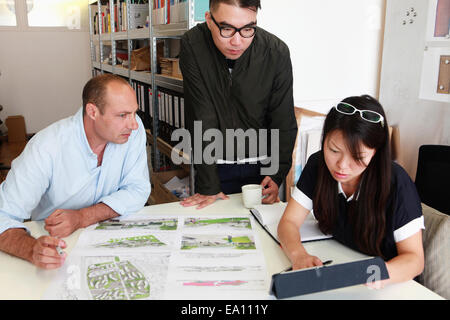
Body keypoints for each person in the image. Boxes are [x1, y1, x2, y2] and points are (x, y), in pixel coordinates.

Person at [0, 74, 151, 269]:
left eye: (134, 113)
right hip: (58, 248)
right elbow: (3, 214)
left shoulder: (132, 132)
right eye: (122, 115)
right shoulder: (47, 146)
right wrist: (31, 249)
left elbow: (138, 189)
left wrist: (82, 217)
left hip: (111, 242)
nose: (134, 124)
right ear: (92, 111)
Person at [278, 95, 424, 286]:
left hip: (391, 284)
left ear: (376, 152)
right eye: (334, 150)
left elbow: (414, 260)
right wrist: (298, 255)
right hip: (342, 262)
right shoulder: (317, 165)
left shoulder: (397, 183)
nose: (342, 166)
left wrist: (373, 274)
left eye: (357, 156)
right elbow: (288, 221)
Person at [179, 0, 297, 209]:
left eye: (248, 29)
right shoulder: (193, 44)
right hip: (215, 164)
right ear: (208, 19)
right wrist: (209, 184)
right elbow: (201, 114)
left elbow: (283, 119)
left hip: (262, 167)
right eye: (226, 28)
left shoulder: (276, 52)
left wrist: (276, 173)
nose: (237, 41)